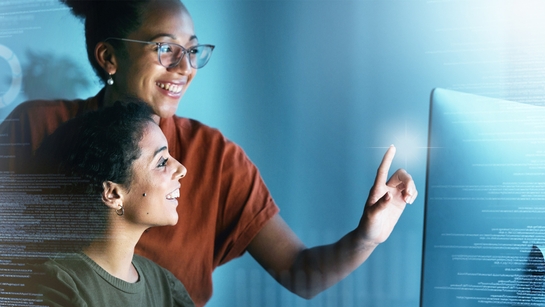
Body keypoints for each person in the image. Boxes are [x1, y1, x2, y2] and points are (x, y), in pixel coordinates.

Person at [0, 0, 418, 305]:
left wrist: (368, 236)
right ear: (109, 56)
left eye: (193, 50)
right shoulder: (37, 129)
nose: (185, 66)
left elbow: (301, 273)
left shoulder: (217, 159)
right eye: (165, 48)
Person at [31, 101, 195, 306]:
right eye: (162, 162)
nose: (181, 169)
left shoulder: (164, 285)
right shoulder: (58, 285)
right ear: (113, 194)